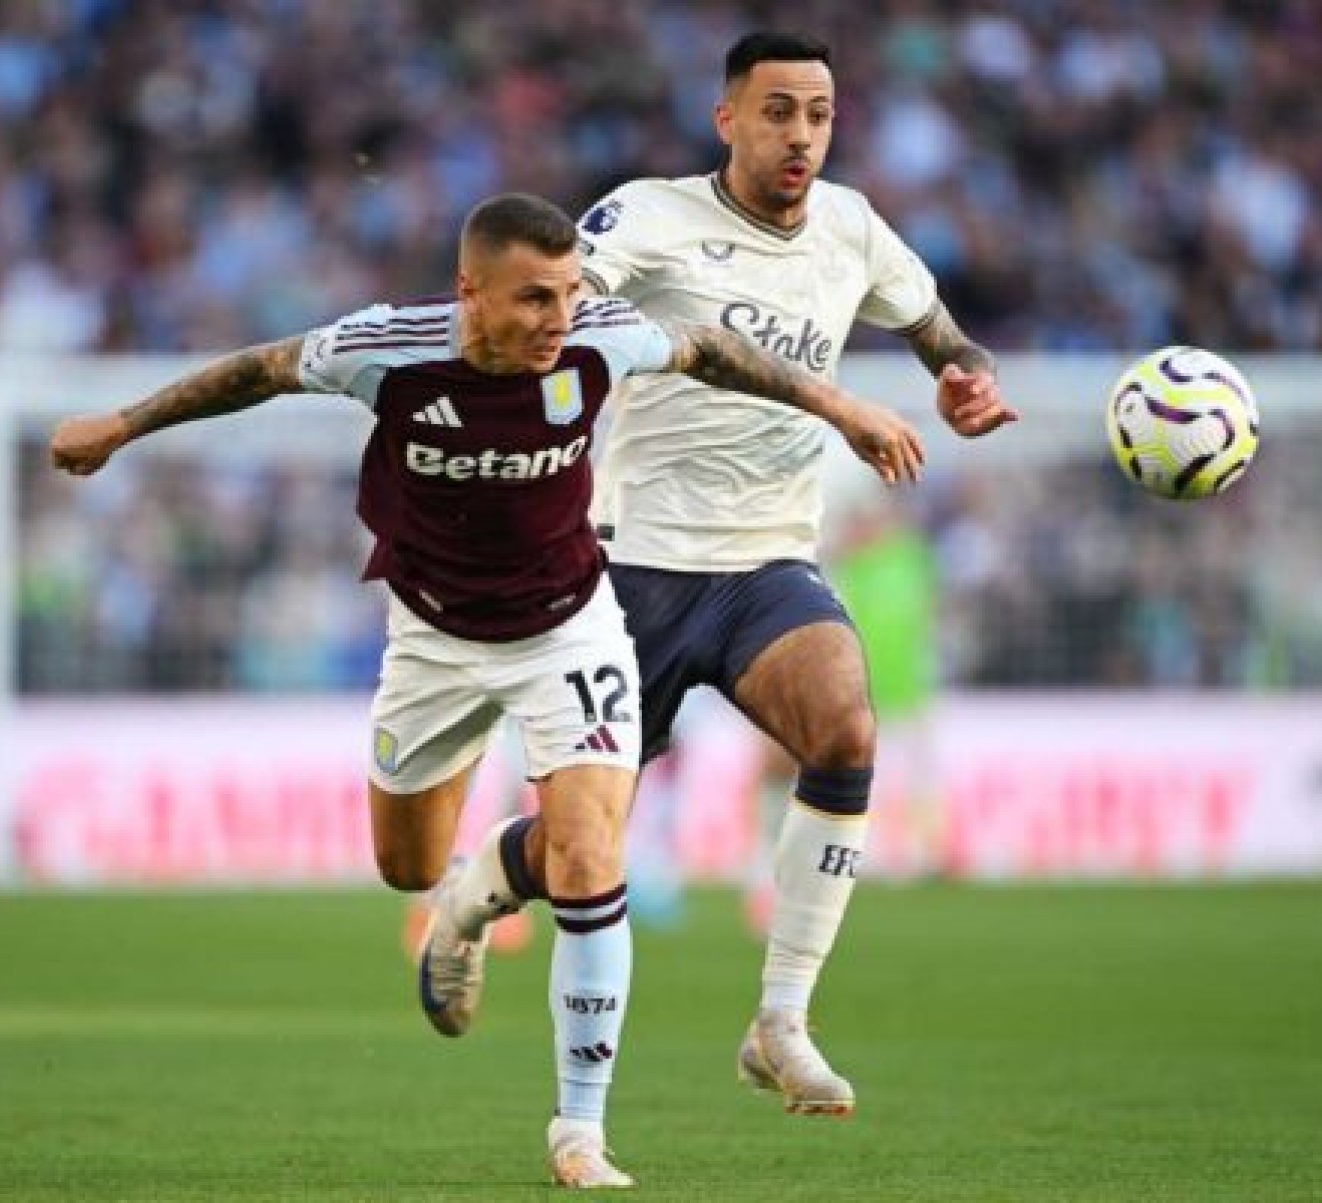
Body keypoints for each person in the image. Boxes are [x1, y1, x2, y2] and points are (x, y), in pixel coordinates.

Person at [48, 192, 922, 1188]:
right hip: (433, 640)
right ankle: (464, 902)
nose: (559, 318)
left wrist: (844, 407)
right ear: (471, 292)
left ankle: (579, 1131)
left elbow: (715, 351)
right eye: (534, 301)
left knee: (592, 846)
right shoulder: (389, 348)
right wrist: (119, 425)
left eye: (567, 295)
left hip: (571, 625)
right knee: (404, 861)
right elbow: (255, 372)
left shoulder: (600, 336)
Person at [438, 33, 1018, 1117]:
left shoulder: (851, 229)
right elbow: (565, 304)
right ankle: (472, 898)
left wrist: (968, 382)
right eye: (777, 113)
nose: (800, 135)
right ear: (728, 121)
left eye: (818, 116)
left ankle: (781, 1023)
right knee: (581, 847)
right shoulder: (649, 217)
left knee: (845, 729)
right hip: (632, 565)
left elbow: (945, 336)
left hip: (766, 565)